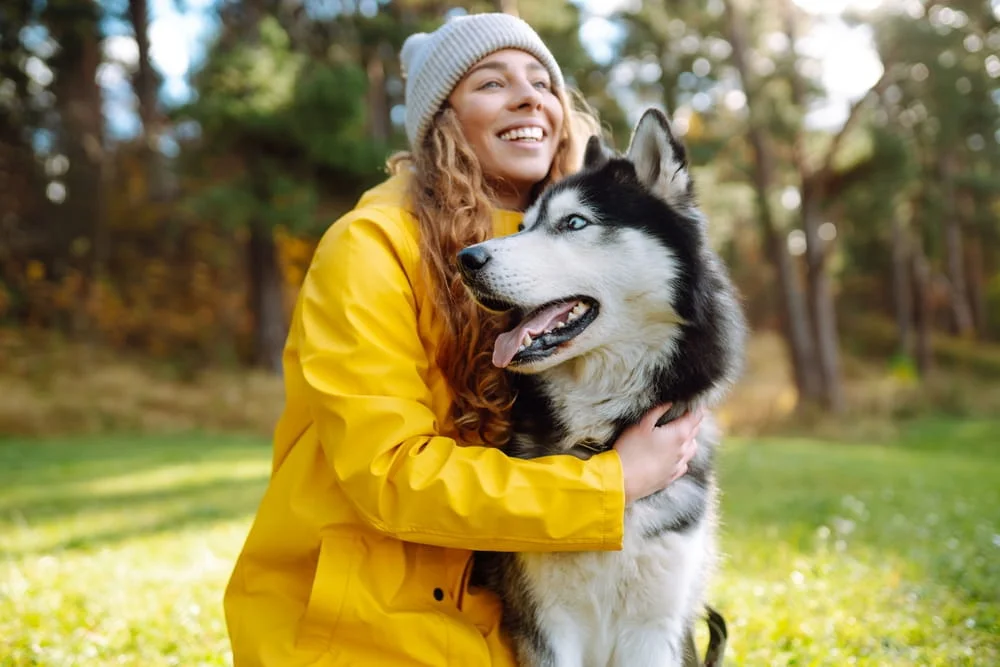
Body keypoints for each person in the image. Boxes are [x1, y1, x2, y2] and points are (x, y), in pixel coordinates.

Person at [224, 12, 704, 666]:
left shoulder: (559, 258)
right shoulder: (368, 248)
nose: (529, 96)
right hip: (363, 631)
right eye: (491, 82)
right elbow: (391, 473)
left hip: (491, 631)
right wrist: (611, 484)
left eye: (542, 82)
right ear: (442, 122)